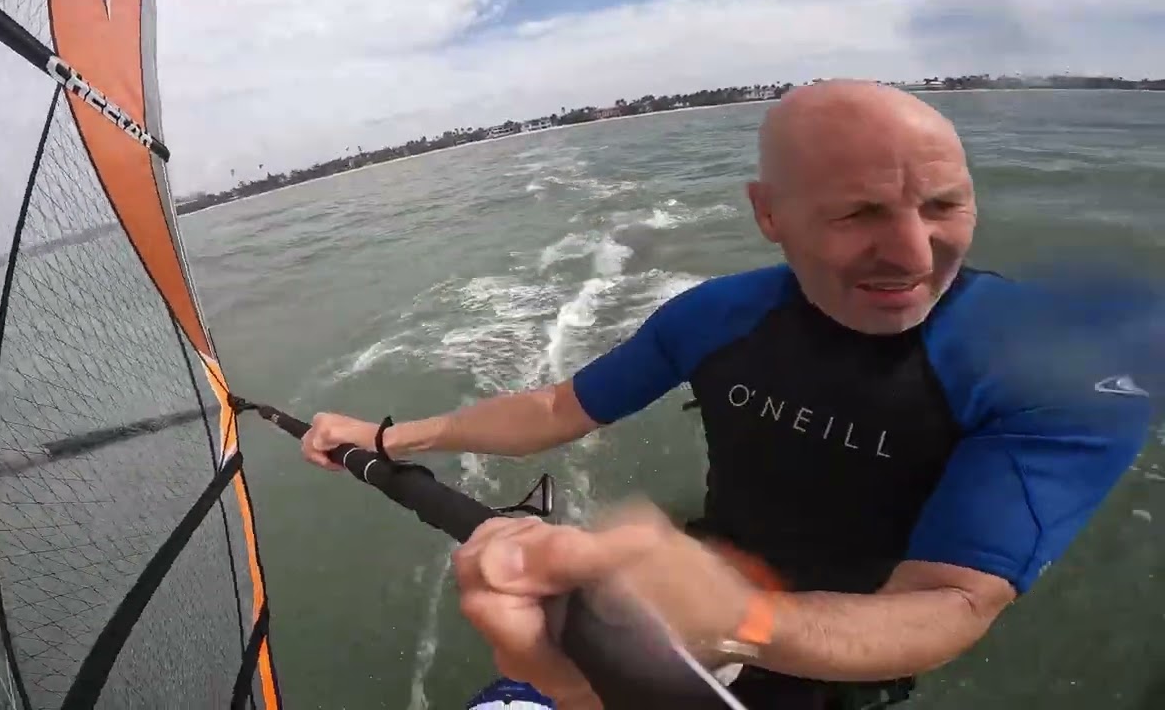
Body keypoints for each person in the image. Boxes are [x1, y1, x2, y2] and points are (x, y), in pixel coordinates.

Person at [301, 80, 1154, 708]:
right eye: (857, 215)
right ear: (769, 214)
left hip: (844, 649)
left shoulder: (1061, 373)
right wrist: (385, 438)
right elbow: (560, 409)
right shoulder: (719, 315)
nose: (913, 253)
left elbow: (955, 602)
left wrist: (742, 621)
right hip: (696, 588)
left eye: (943, 205)